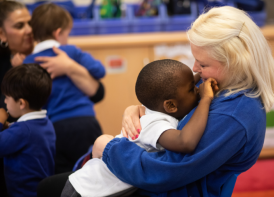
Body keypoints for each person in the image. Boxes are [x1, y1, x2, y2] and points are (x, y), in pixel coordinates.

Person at [37, 6, 274, 197]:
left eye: (204, 63)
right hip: (146, 173)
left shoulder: (234, 114)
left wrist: (107, 147)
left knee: (50, 188)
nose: (195, 69)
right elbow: (170, 106)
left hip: (161, 185)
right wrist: (136, 109)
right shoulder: (220, 85)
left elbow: (167, 171)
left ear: (236, 62)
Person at [60, 59, 218, 197]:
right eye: (193, 89)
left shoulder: (160, 108)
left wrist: (204, 78)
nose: (198, 89)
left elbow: (182, 86)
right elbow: (186, 142)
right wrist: (205, 99)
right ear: (170, 105)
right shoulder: (153, 123)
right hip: (85, 190)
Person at [22, 3, 106, 174]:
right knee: (95, 170)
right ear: (58, 33)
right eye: (67, 33)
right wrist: (74, 62)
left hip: (52, 128)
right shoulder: (71, 51)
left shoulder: (28, 62)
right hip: (84, 122)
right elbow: (99, 70)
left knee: (62, 176)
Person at [0, 64, 55, 197]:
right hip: (40, 190)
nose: (5, 101)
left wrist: (0, 121)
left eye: (7, 97)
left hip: (23, 193)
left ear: (21, 103)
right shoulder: (45, 122)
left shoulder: (23, 131)